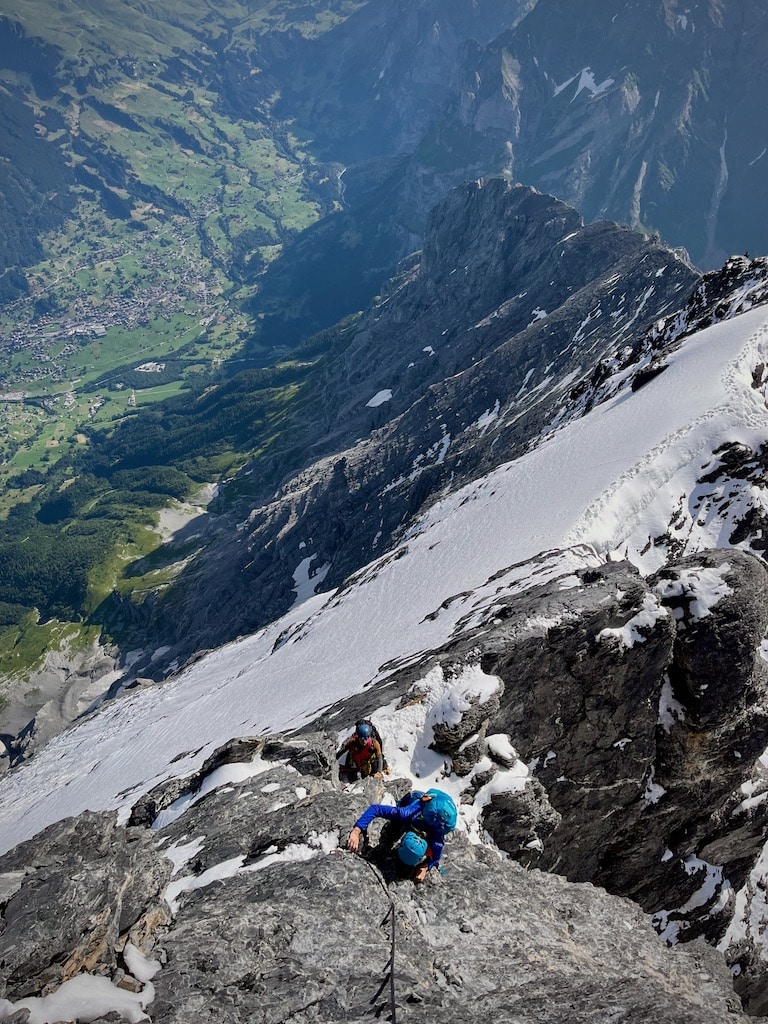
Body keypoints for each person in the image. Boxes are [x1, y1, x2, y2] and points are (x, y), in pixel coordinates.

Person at [346, 789, 457, 883]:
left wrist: (425, 867)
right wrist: (356, 831)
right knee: (391, 831)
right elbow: (375, 809)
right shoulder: (408, 813)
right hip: (412, 799)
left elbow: (435, 858)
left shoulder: (437, 835)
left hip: (431, 808)